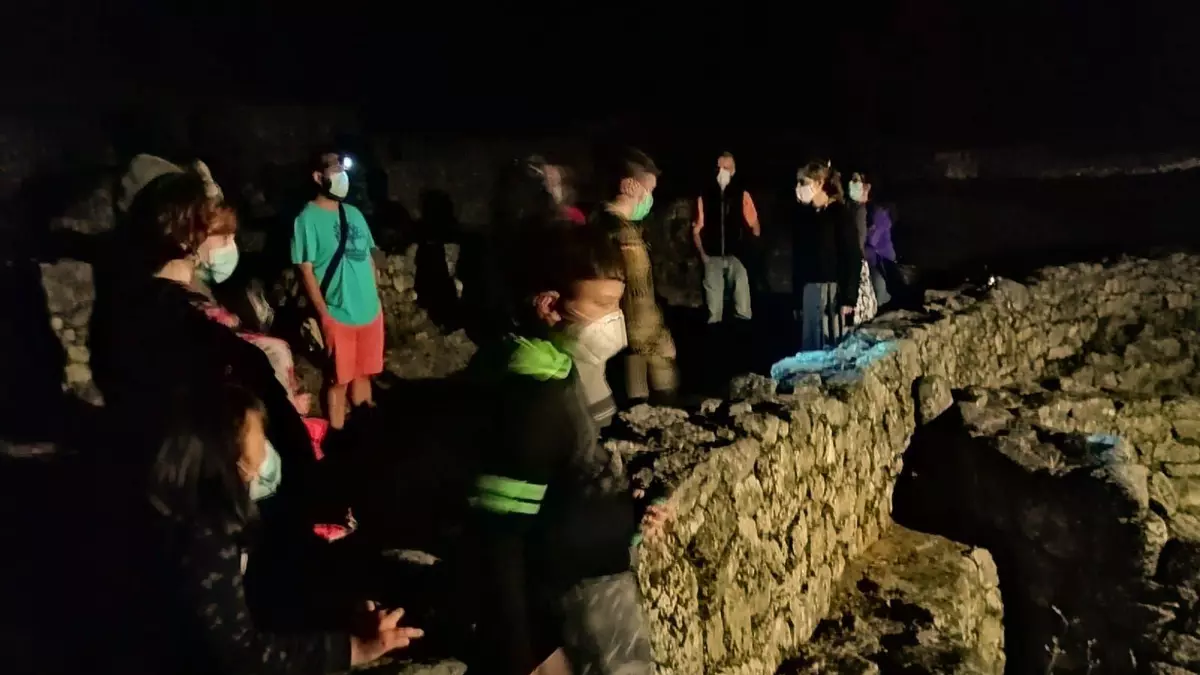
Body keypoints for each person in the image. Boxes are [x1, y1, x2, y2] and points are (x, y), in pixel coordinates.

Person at [466, 224, 670, 675]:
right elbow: (500, 536)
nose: (614, 319)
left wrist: (626, 511)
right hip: (577, 602)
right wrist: (525, 654)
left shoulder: (555, 367)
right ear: (548, 305)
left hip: (592, 584)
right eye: (602, 305)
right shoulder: (531, 396)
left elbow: (563, 483)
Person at [146, 382, 422, 674]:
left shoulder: (201, 513)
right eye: (258, 445)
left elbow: (260, 596)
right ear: (226, 466)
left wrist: (339, 616)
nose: (267, 454)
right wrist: (355, 649)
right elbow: (239, 655)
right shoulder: (205, 542)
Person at [291, 151, 385, 430]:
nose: (341, 176)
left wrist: (376, 295)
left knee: (364, 376)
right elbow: (305, 270)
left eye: (342, 170)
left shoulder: (354, 213)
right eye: (334, 170)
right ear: (318, 177)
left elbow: (370, 255)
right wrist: (324, 315)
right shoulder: (306, 219)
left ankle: (365, 434)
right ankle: (338, 439)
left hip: (369, 312)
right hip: (338, 313)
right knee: (338, 382)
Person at [590, 147, 678, 405]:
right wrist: (659, 343)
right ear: (629, 185)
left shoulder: (597, 224)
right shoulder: (623, 235)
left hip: (615, 343)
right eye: (648, 190)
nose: (648, 199)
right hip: (634, 346)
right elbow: (637, 296)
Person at [792, 161, 862, 350]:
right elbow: (799, 258)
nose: (799, 188)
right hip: (809, 290)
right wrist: (797, 299)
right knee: (811, 346)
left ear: (819, 183)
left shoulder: (839, 214)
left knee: (831, 343)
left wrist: (849, 298)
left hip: (832, 291)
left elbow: (852, 256)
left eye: (804, 183)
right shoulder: (806, 216)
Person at [692, 152, 761, 324]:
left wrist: (749, 252)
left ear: (733, 170)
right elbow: (696, 229)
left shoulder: (742, 195)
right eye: (719, 168)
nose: (722, 172)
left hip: (737, 257)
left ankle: (742, 337)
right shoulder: (704, 196)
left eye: (726, 168)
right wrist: (703, 255)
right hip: (712, 257)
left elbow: (755, 225)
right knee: (713, 311)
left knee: (743, 308)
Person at [846, 172, 879, 324]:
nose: (855, 185)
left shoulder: (862, 210)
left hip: (859, 260)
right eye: (853, 181)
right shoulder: (853, 209)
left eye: (858, 182)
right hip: (856, 260)